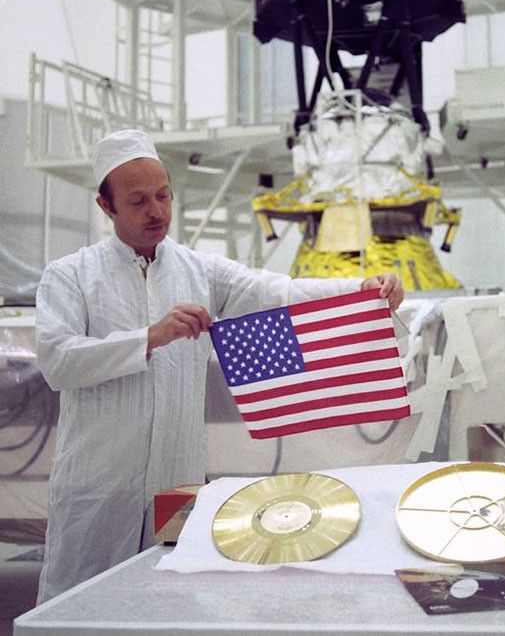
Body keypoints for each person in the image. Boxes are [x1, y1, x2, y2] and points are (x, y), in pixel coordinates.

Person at [34, 129, 403, 602]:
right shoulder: (71, 276)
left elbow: (277, 292)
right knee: (78, 607)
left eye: (164, 195)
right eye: (138, 201)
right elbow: (59, 361)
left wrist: (358, 290)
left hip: (176, 481)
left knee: (167, 601)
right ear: (106, 208)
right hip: (97, 487)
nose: (157, 211)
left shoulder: (196, 270)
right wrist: (150, 337)